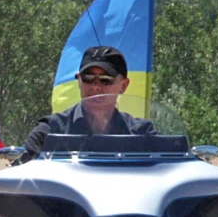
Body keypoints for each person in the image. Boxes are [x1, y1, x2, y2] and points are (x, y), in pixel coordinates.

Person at [21, 46, 157, 158]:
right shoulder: (49, 131)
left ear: (123, 85)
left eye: (105, 80)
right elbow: (19, 177)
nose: (95, 86)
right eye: (88, 78)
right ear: (79, 80)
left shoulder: (141, 134)